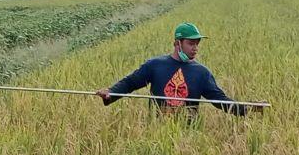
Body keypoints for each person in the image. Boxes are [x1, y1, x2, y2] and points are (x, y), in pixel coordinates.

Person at [97, 22, 263, 119]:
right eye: (191, 43)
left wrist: (247, 108)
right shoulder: (155, 65)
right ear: (177, 43)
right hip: (157, 128)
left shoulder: (201, 73)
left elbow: (219, 100)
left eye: (197, 44)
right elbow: (130, 83)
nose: (195, 48)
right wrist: (111, 92)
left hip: (189, 131)